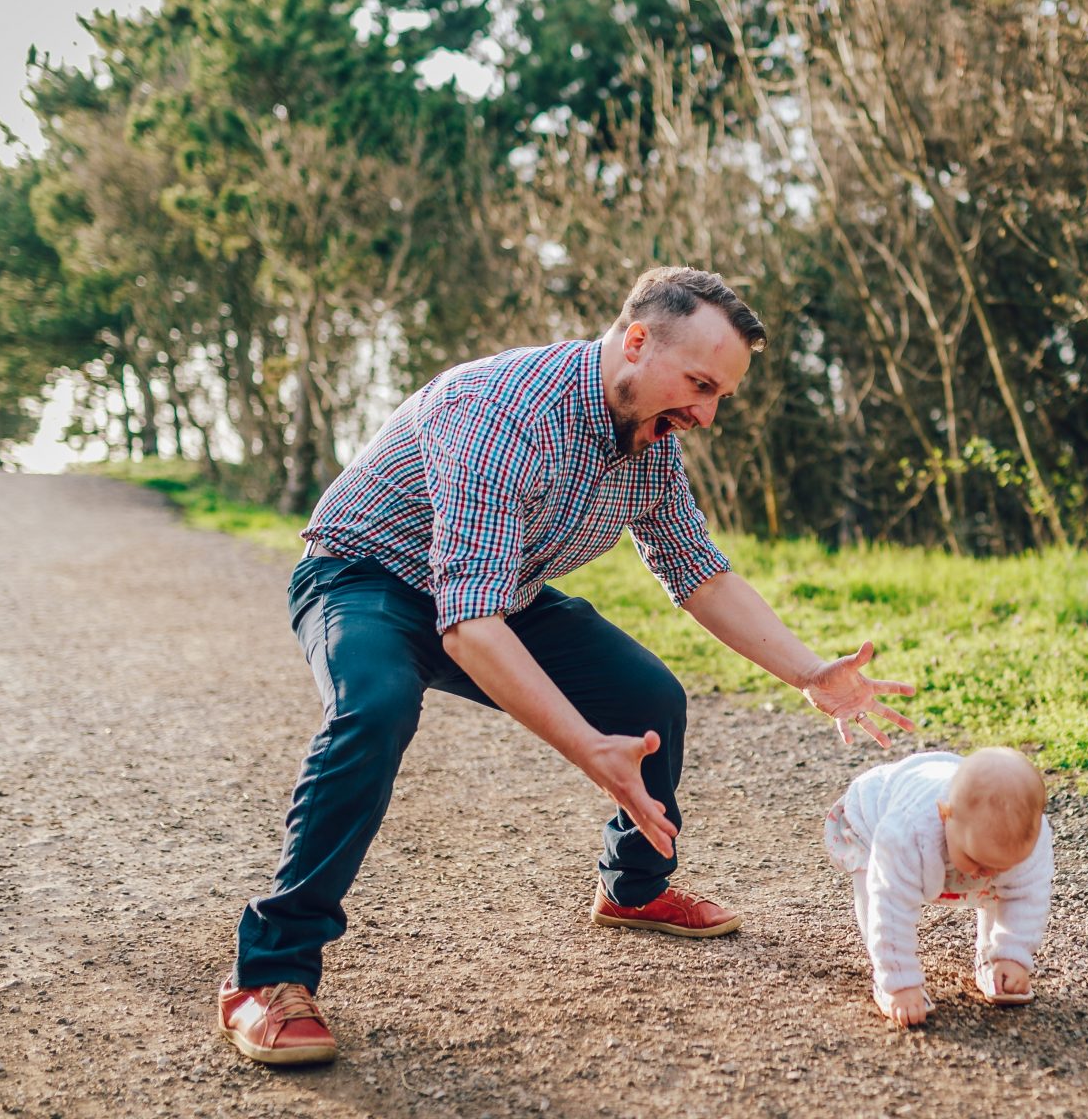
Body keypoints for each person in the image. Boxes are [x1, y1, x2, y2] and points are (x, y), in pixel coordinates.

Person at [217, 266, 917, 1065]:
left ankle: (635, 889)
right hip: (365, 578)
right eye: (698, 384)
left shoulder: (649, 438)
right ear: (637, 341)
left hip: (495, 590)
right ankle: (266, 973)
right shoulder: (498, 411)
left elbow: (698, 571)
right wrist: (589, 748)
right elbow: (467, 628)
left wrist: (808, 673)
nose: (708, 413)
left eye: (721, 394)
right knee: (374, 707)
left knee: (648, 695)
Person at [823, 747, 1054, 1027]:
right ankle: (886, 979)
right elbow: (891, 906)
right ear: (945, 815)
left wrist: (1013, 956)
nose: (987, 873)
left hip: (943, 800)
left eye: (1002, 864)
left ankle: (993, 961)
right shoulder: (905, 833)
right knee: (874, 886)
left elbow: (1026, 897)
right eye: (976, 860)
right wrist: (900, 984)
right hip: (872, 816)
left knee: (1007, 885)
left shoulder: (1027, 838)